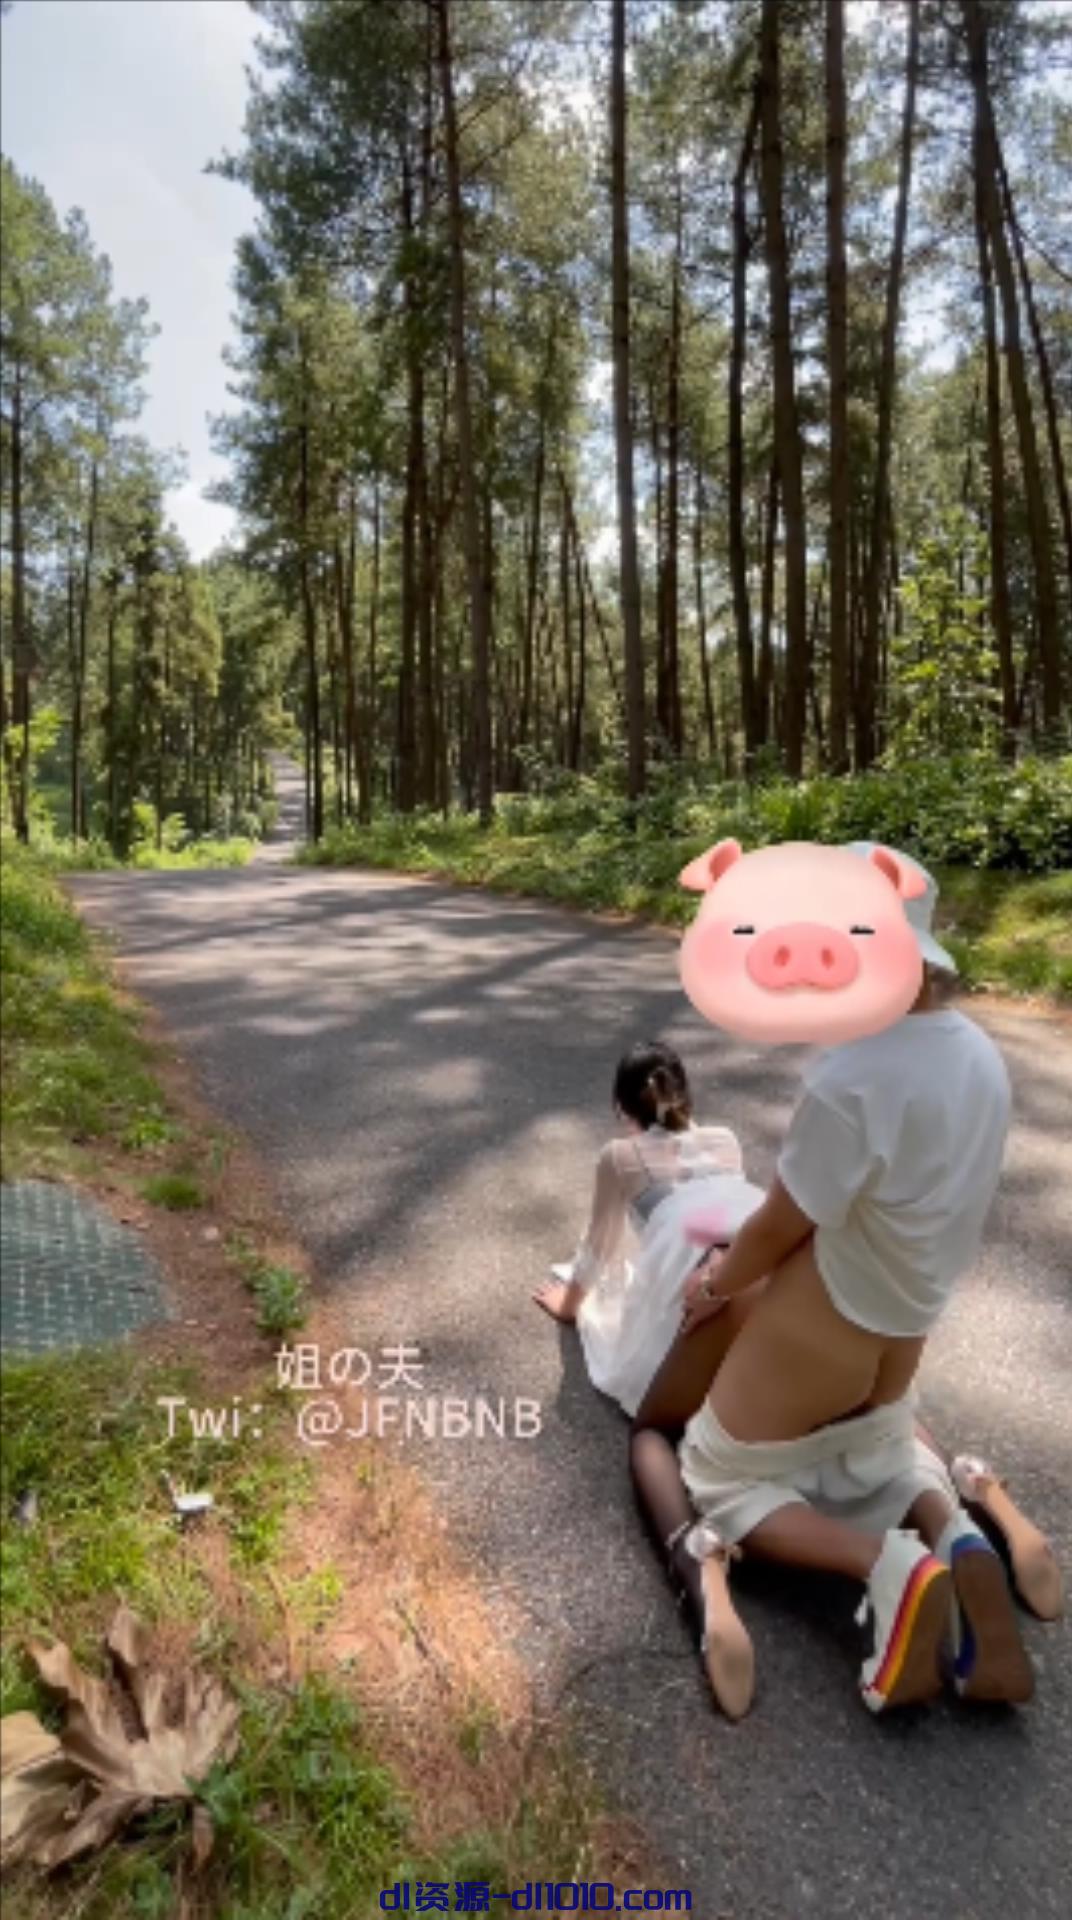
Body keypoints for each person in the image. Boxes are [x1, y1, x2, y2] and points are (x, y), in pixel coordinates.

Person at [630, 844, 1056, 1721]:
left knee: (716, 1472)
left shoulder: (854, 1072)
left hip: (826, 1320)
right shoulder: (980, 1055)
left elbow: (780, 1226)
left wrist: (714, 1286)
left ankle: (886, 1567)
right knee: (879, 1451)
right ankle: (955, 1532)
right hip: (907, 1325)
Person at [532, 1041, 766, 1416]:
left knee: (646, 1366)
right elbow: (721, 1207)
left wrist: (570, 1306)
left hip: (693, 1269)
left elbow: (600, 1245)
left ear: (621, 1104)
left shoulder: (619, 1155)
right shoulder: (725, 1139)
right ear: (684, 1093)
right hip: (764, 1253)